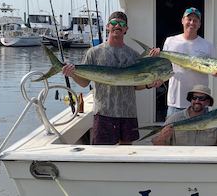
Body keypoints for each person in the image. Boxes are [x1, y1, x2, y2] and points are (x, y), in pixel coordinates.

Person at [62, 11, 161, 145]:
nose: (117, 26)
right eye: (114, 23)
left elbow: (136, 85)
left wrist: (149, 84)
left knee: (126, 153)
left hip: (128, 113)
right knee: (101, 154)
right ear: (108, 26)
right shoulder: (94, 52)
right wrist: (72, 74)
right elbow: (84, 83)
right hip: (103, 112)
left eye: (121, 24)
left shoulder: (134, 56)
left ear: (126, 29)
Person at [150, 7, 217, 118]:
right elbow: (165, 67)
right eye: (189, 19)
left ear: (199, 24)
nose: (192, 22)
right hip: (175, 101)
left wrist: (216, 72)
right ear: (182, 20)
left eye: (195, 20)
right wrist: (156, 57)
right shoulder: (170, 41)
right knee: (171, 134)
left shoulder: (208, 45)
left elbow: (213, 68)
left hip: (199, 102)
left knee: (199, 135)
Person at [151, 85, 217, 146]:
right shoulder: (175, 118)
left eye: (201, 98)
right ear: (190, 99)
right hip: (180, 163)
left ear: (208, 102)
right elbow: (156, 143)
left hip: (206, 164)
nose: (197, 101)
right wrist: (162, 137)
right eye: (194, 97)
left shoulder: (216, 120)